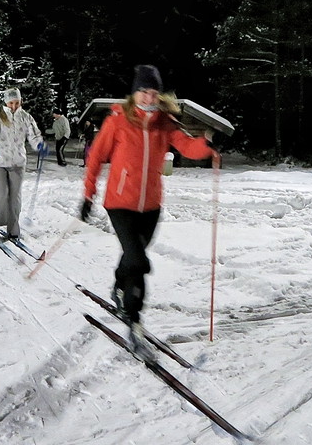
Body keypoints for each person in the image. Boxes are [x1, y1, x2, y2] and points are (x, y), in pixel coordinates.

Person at [79, 64, 218, 360]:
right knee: (139, 261)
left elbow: (187, 147)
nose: (148, 97)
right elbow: (96, 157)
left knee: (133, 257)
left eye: (153, 92)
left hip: (151, 206)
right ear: (134, 93)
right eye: (143, 91)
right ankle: (135, 322)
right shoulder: (118, 121)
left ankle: (119, 285)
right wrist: (88, 194)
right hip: (119, 203)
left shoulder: (164, 123)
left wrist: (205, 145)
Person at [0, 87, 46, 240]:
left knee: (15, 195)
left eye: (17, 102)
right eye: (11, 103)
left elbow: (34, 135)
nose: (14, 106)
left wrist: (39, 144)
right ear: (6, 102)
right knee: (1, 193)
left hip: (18, 161)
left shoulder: (26, 117)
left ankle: (13, 228)